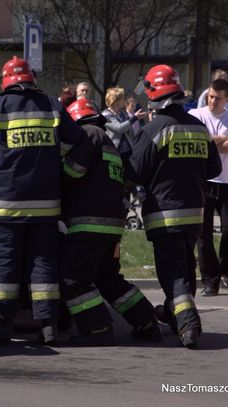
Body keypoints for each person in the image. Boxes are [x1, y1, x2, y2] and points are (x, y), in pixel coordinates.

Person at [0, 56, 92, 345]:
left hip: (4, 205)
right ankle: (48, 326)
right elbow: (78, 141)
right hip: (46, 205)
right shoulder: (51, 105)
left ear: (5, 80)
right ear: (31, 79)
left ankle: (3, 326)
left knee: (3, 266)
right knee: (43, 266)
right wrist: (61, 172)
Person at [121, 64, 222, 348]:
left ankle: (189, 324)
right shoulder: (198, 126)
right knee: (185, 266)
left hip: (165, 215)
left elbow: (135, 171)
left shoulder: (156, 127)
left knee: (173, 273)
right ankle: (172, 313)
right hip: (194, 215)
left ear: (154, 93)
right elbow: (213, 167)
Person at [60, 98, 160, 345]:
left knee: (72, 278)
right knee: (108, 279)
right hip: (110, 226)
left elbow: (73, 171)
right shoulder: (110, 144)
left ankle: (98, 327)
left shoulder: (89, 134)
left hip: (87, 224)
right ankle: (146, 321)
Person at [188, 78, 228, 296]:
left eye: (218, 98)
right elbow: (199, 142)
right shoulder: (197, 115)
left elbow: (208, 143)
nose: (213, 101)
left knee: (227, 230)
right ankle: (210, 280)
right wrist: (221, 140)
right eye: (211, 96)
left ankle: (225, 271)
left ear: (226, 98)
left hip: (227, 182)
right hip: (204, 181)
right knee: (203, 235)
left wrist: (210, 140)